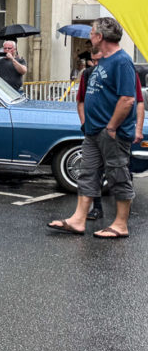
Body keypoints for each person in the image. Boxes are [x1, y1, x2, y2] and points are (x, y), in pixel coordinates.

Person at [49, 17, 139, 239]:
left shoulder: (121, 61)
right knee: (87, 174)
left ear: (100, 37)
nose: (89, 37)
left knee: (118, 175)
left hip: (111, 133)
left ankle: (120, 224)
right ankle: (78, 220)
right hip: (93, 131)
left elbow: (128, 99)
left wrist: (111, 127)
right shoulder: (104, 61)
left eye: (91, 33)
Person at [79, 48, 145, 220]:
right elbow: (82, 100)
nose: (96, 64)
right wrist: (85, 123)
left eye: (99, 60)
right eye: (93, 61)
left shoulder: (122, 67)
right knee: (91, 172)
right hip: (95, 130)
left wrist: (136, 129)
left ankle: (122, 217)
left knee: (119, 171)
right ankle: (95, 209)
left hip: (116, 131)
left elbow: (136, 101)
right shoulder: (88, 74)